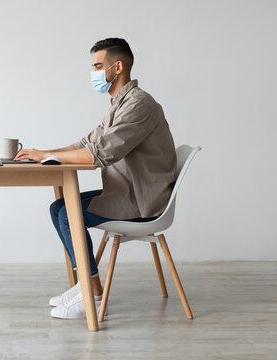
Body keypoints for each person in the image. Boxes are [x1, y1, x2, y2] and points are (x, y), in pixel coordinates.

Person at [13, 38, 177, 319]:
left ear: (118, 66)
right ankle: (84, 285)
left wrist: (46, 156)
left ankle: (94, 293)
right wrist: (42, 153)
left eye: (98, 66)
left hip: (142, 201)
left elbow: (100, 153)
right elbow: (85, 143)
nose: (94, 73)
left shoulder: (139, 105)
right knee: (59, 208)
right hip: (126, 192)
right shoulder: (119, 103)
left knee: (68, 214)